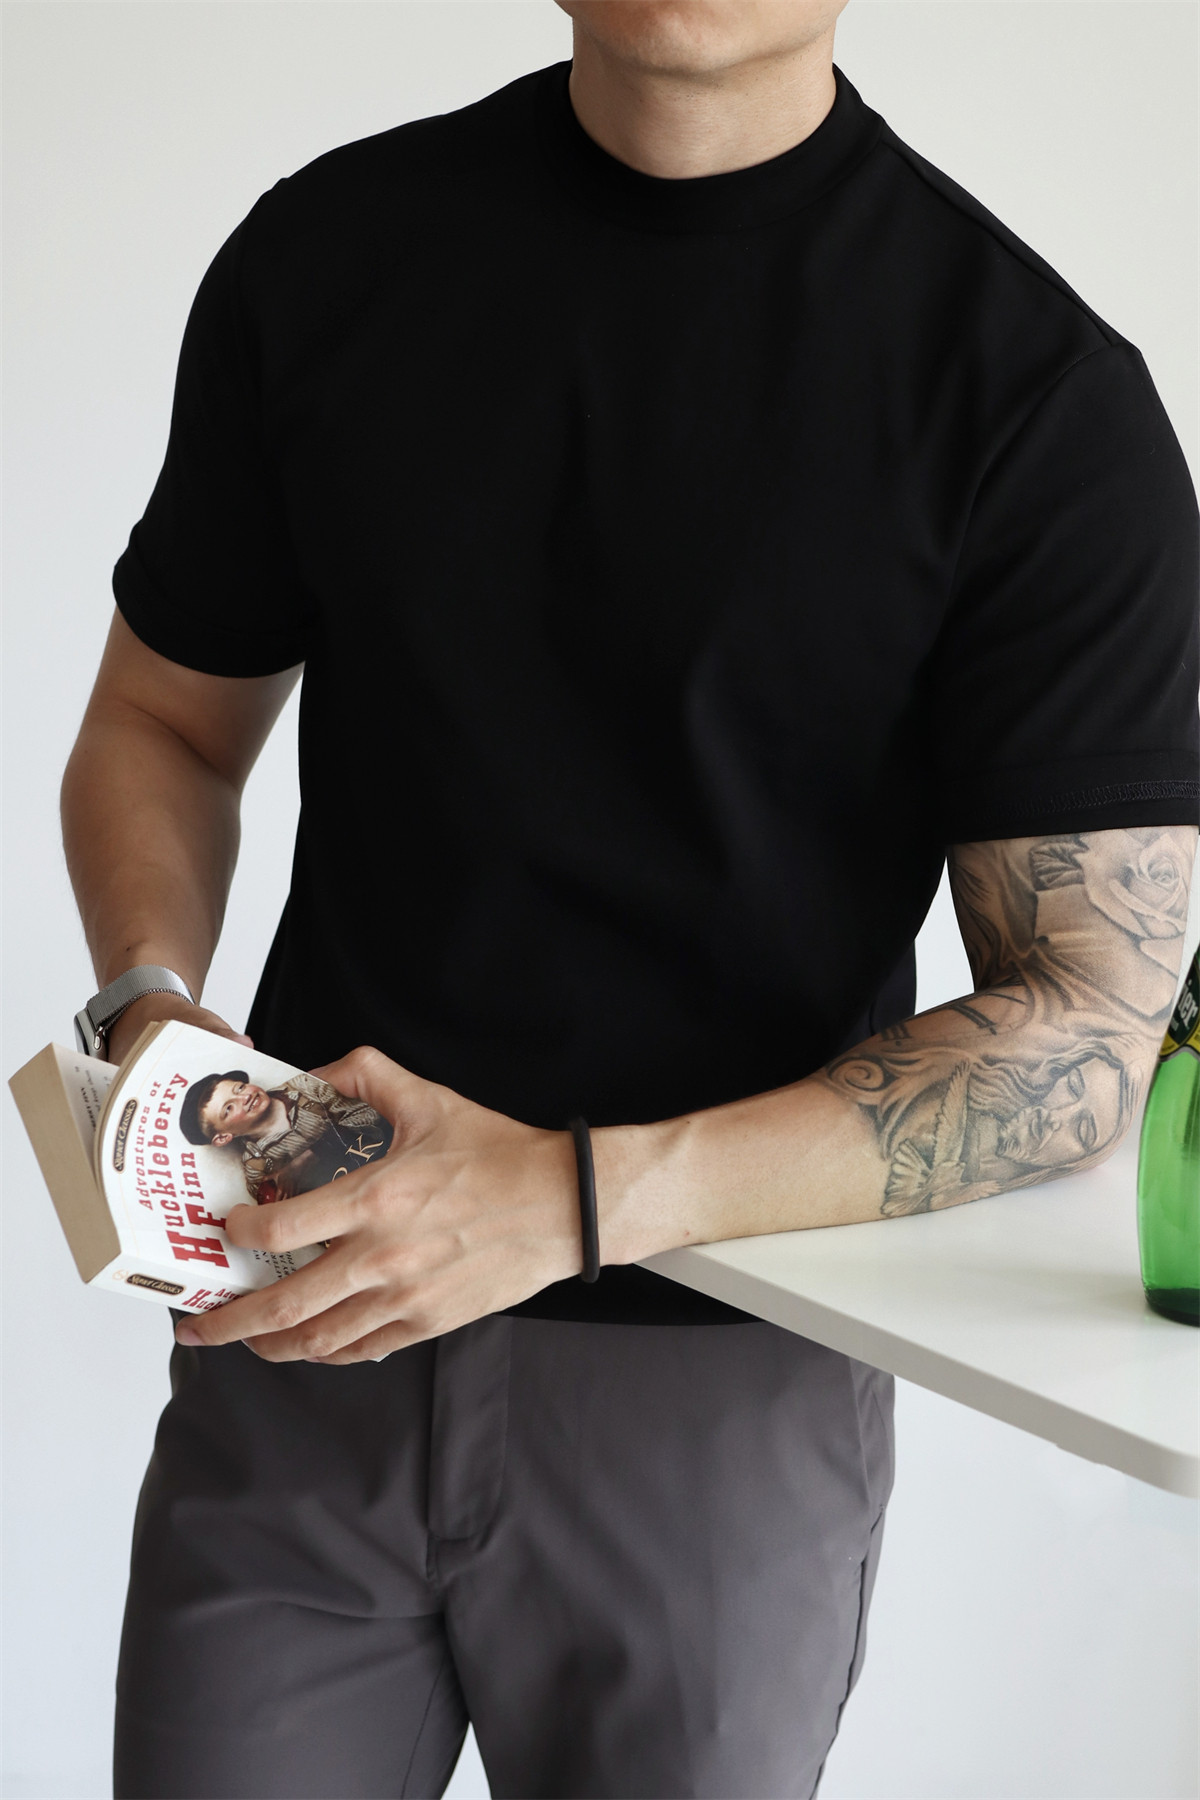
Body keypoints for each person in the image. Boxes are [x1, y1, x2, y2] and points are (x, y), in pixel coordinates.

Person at [61, 3, 1197, 1796]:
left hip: (725, 1377)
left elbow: (1086, 1030)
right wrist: (149, 1005)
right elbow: (163, 725)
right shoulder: (330, 255)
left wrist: (562, 1199)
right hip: (299, 1326)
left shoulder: (1032, 397)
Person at [179, 1068, 392, 1201]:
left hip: (392, 1157)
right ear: (223, 1137)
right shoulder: (256, 1167)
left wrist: (309, 1157)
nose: (244, 1097)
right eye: (229, 1108)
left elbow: (369, 1116)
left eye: (240, 1088)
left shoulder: (304, 1087)